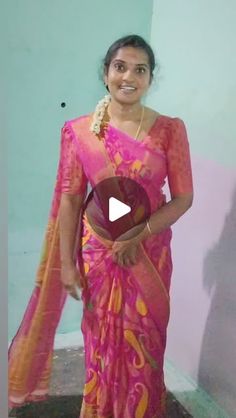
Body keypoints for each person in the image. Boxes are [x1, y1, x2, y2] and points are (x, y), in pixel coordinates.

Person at [8, 34, 193, 417]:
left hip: (148, 254)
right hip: (99, 257)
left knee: (146, 342)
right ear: (106, 72)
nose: (129, 76)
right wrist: (68, 266)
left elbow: (183, 198)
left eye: (139, 69)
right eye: (120, 66)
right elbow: (72, 200)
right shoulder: (80, 132)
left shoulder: (170, 130)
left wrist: (137, 235)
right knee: (102, 342)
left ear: (149, 77)